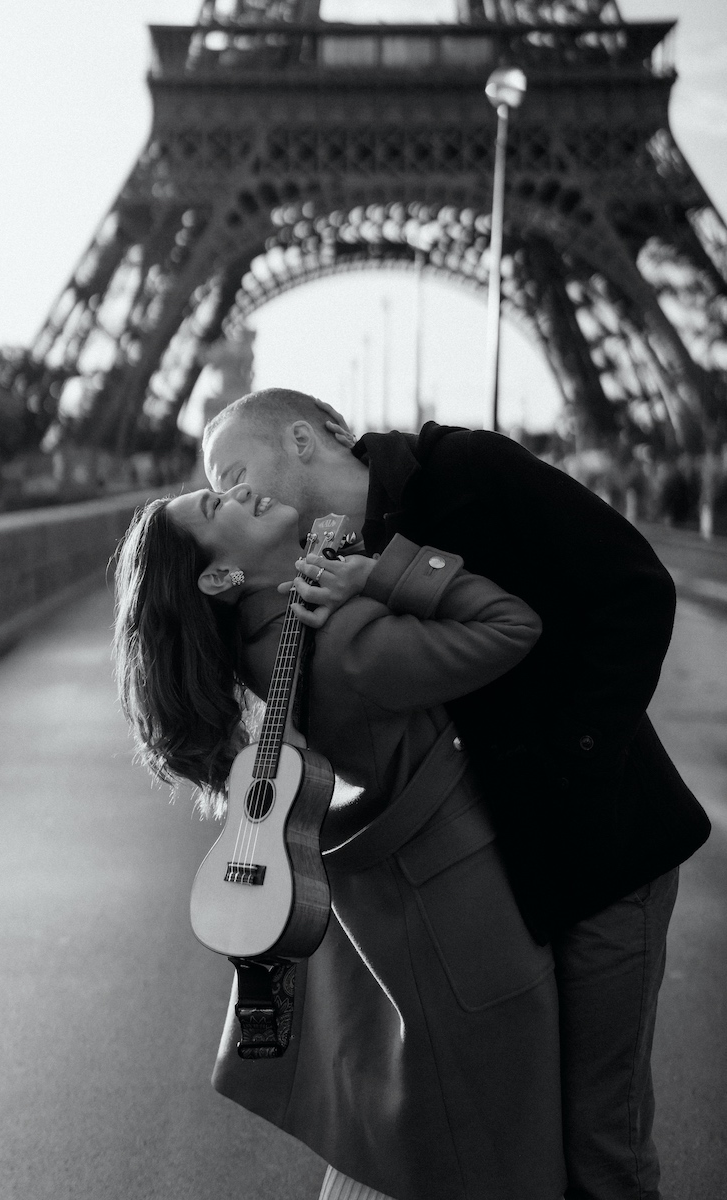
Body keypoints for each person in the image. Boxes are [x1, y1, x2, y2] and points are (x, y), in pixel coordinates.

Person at [202, 387, 712, 1200]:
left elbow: (635, 586)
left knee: (602, 1149)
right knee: (539, 1142)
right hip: (512, 883)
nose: (230, 496)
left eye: (231, 472)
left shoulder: (466, 470)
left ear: (303, 438)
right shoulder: (324, 573)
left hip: (606, 854)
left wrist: (571, 766)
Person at [114, 483, 567, 1200]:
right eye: (215, 503)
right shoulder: (342, 643)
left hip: (402, 906)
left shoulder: (264, 639)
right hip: (461, 913)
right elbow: (512, 625)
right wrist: (387, 573)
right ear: (221, 577)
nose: (238, 491)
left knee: (406, 1141)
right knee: (487, 1147)